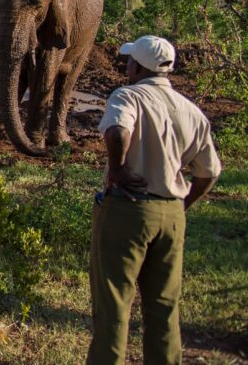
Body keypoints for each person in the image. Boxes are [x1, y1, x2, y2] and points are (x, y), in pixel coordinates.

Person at [87, 35, 221, 365]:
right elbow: (209, 172)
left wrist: (117, 168)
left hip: (127, 209)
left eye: (129, 60)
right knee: (164, 308)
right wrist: (183, 204)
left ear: (139, 66)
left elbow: (117, 130)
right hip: (172, 214)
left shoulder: (128, 96)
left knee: (114, 303)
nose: (126, 65)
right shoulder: (191, 110)